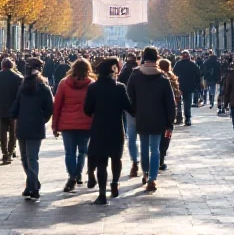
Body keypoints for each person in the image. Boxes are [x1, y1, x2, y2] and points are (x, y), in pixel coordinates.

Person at [84, 57, 133, 205]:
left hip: (99, 127)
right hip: (116, 127)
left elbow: (87, 109)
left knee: (101, 161)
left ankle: (101, 195)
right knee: (116, 158)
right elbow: (129, 108)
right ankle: (115, 184)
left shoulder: (93, 88)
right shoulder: (120, 88)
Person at [127, 47, 175, 193]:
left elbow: (129, 97)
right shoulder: (163, 78)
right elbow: (170, 103)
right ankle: (152, 178)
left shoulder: (135, 75)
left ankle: (145, 172)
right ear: (157, 59)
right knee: (155, 149)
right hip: (158, 118)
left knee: (143, 147)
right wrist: (170, 122)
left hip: (141, 117)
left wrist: (134, 112)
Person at [11, 58, 54, 201]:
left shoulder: (39, 87)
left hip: (24, 125)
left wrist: (14, 116)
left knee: (27, 157)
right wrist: (43, 119)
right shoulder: (33, 86)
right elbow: (49, 108)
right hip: (33, 126)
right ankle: (33, 183)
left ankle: (33, 186)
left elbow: (17, 104)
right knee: (30, 158)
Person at [52, 58, 94, 192]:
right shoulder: (91, 84)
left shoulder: (64, 83)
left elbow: (57, 105)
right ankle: (78, 174)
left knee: (69, 152)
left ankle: (72, 176)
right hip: (85, 123)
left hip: (67, 123)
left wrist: (55, 125)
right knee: (82, 151)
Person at [0, 57, 23, 164]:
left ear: (2, 66)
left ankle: (4, 152)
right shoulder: (19, 77)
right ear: (12, 66)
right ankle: (11, 152)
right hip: (15, 108)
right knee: (13, 131)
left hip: (1, 107)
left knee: (2, 131)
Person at [157, 59, 180, 170]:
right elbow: (176, 95)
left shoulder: (157, 78)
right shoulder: (171, 78)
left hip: (158, 112)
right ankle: (161, 157)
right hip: (169, 113)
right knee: (166, 137)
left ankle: (158, 157)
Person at [172, 50, 201, 126]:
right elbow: (198, 75)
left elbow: (173, 73)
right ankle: (187, 119)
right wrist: (196, 85)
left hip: (179, 86)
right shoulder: (192, 64)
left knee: (178, 102)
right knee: (187, 103)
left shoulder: (178, 64)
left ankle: (179, 116)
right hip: (189, 86)